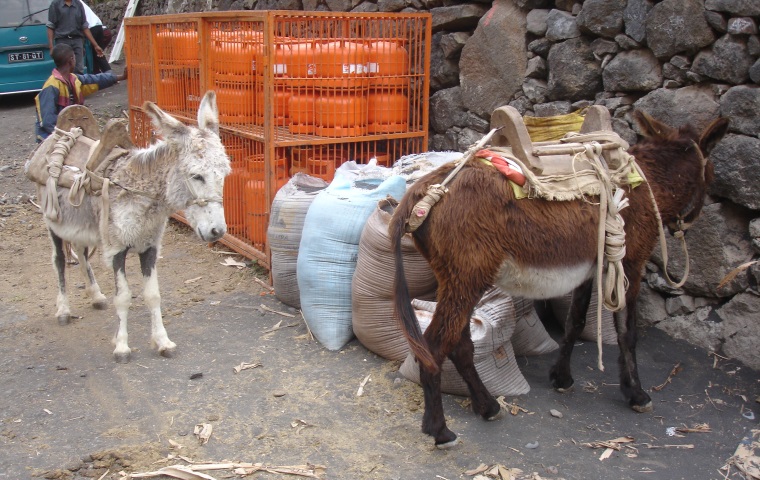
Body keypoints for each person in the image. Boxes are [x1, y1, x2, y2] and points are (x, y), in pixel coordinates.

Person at [34, 43, 127, 142]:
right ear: (71, 60)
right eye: (74, 57)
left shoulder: (73, 79)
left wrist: (121, 77)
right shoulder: (51, 86)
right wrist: (67, 138)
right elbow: (48, 122)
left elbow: (96, 79)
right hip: (51, 137)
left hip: (68, 132)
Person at [47, 0, 104, 75]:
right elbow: (51, 26)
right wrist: (51, 47)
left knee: (79, 69)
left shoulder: (78, 4)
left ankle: (77, 86)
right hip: (62, 41)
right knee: (64, 69)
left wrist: (96, 45)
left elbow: (84, 27)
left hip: (77, 41)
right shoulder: (55, 4)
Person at [81, 0, 112, 73]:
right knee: (98, 54)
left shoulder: (74, 4)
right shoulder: (80, 2)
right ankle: (109, 75)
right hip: (98, 25)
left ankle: (97, 74)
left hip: (90, 28)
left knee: (91, 54)